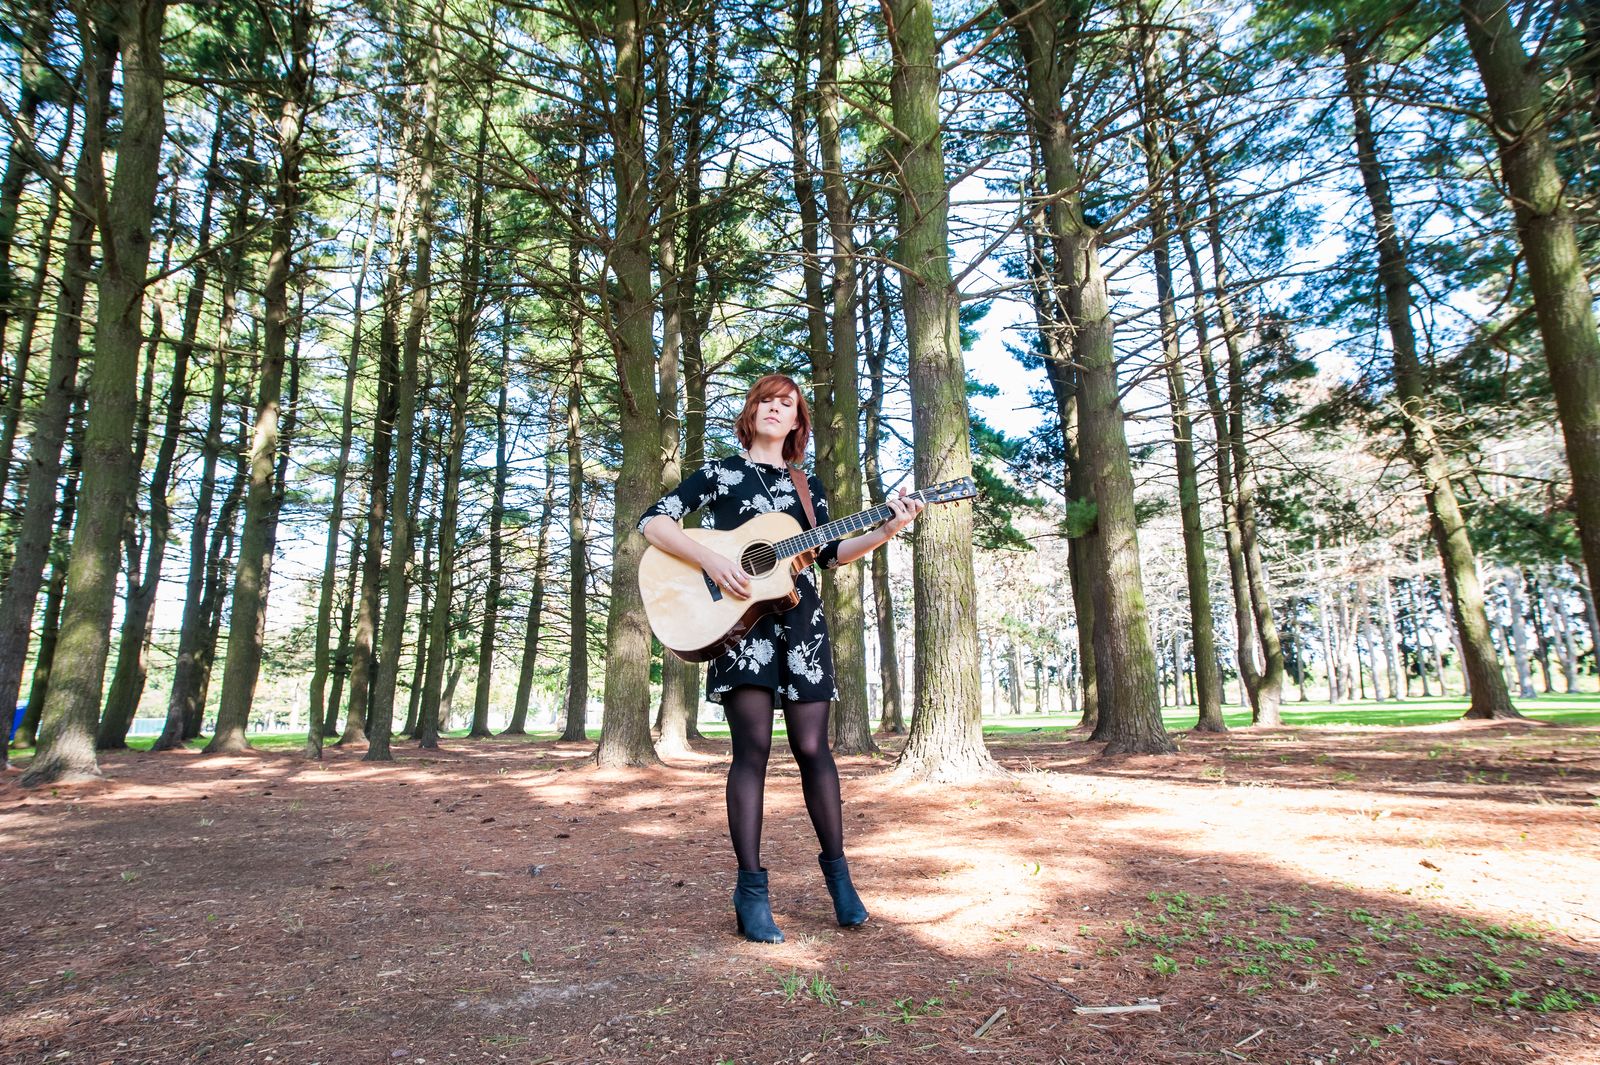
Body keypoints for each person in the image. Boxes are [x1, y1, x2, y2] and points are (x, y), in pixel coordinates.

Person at [637, 373, 923, 943]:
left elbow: (831, 552)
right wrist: (713, 560)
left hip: (801, 623)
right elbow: (653, 521)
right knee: (753, 751)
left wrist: (888, 529)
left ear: (797, 422)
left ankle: (840, 880)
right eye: (766, 400)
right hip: (740, 626)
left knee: (815, 749)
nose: (775, 408)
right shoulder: (720, 472)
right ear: (752, 413)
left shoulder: (806, 484)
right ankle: (751, 891)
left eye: (787, 404)